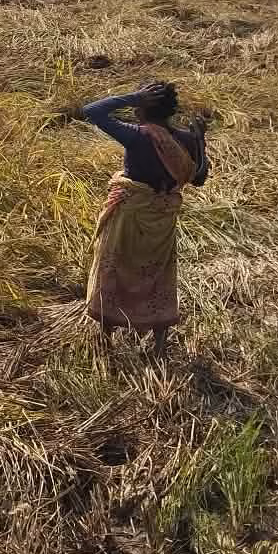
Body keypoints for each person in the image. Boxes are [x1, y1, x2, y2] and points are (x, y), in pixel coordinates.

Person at [81, 80, 210, 352]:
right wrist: (201, 141)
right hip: (162, 220)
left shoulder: (138, 136)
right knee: (158, 274)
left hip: (129, 216)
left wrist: (131, 96)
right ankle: (160, 345)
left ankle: (105, 339)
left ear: (141, 107)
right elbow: (199, 178)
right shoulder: (186, 139)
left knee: (115, 268)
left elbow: (92, 111)